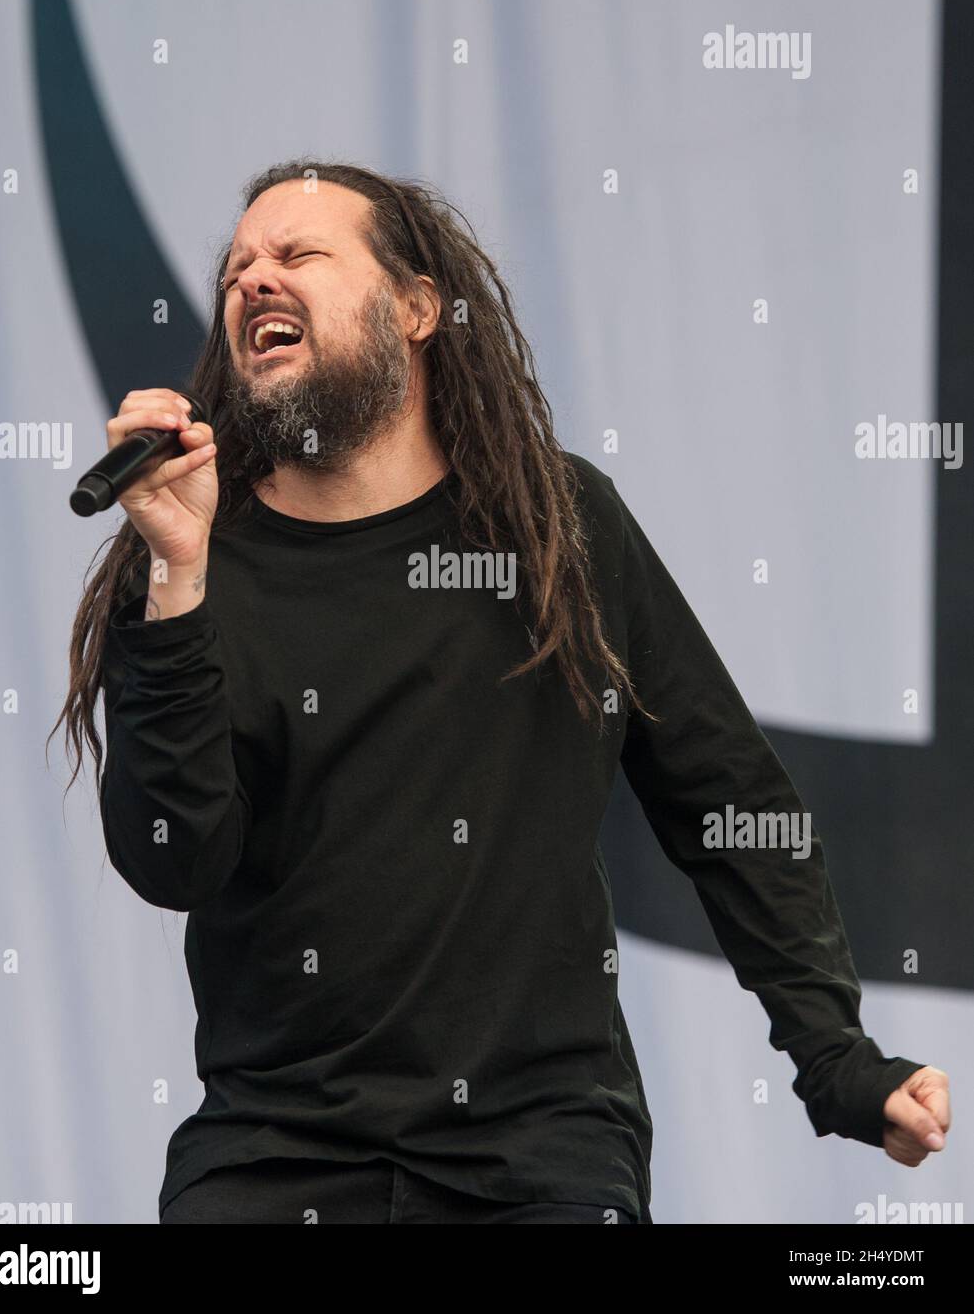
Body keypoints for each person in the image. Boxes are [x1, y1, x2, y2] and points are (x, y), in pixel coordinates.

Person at [52, 159, 950, 1225]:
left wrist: (834, 1057)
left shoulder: (555, 529)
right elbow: (170, 857)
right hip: (271, 1155)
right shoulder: (192, 564)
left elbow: (729, 805)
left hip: (538, 1154)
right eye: (238, 267)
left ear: (417, 306)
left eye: (296, 255)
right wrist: (179, 580)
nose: (252, 280)